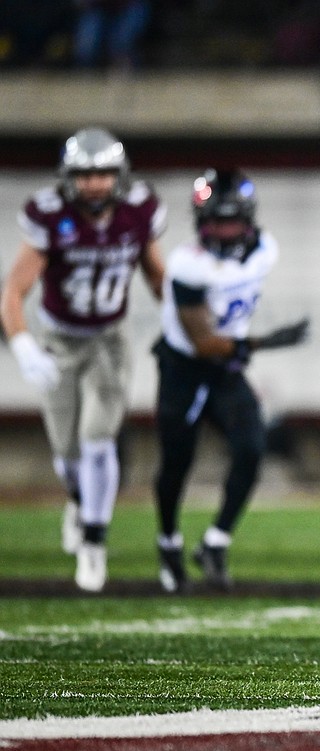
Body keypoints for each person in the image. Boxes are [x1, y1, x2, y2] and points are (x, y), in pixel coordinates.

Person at [1, 126, 166, 593]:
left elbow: (158, 277)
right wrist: (23, 344)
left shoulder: (138, 210)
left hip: (109, 339)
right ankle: (78, 501)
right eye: (85, 174)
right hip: (60, 337)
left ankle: (94, 543)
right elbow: (13, 291)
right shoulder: (48, 215)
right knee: (66, 453)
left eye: (103, 173)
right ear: (68, 177)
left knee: (98, 440)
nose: (94, 183)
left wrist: (177, 321)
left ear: (119, 175)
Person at [153, 168, 309, 593]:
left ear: (249, 220)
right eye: (216, 221)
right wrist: (262, 342)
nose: (224, 231)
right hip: (184, 368)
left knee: (252, 447)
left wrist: (244, 347)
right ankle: (168, 541)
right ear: (200, 222)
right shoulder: (188, 265)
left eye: (232, 221)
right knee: (177, 463)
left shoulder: (264, 250)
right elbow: (203, 342)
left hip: (226, 368)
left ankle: (215, 542)